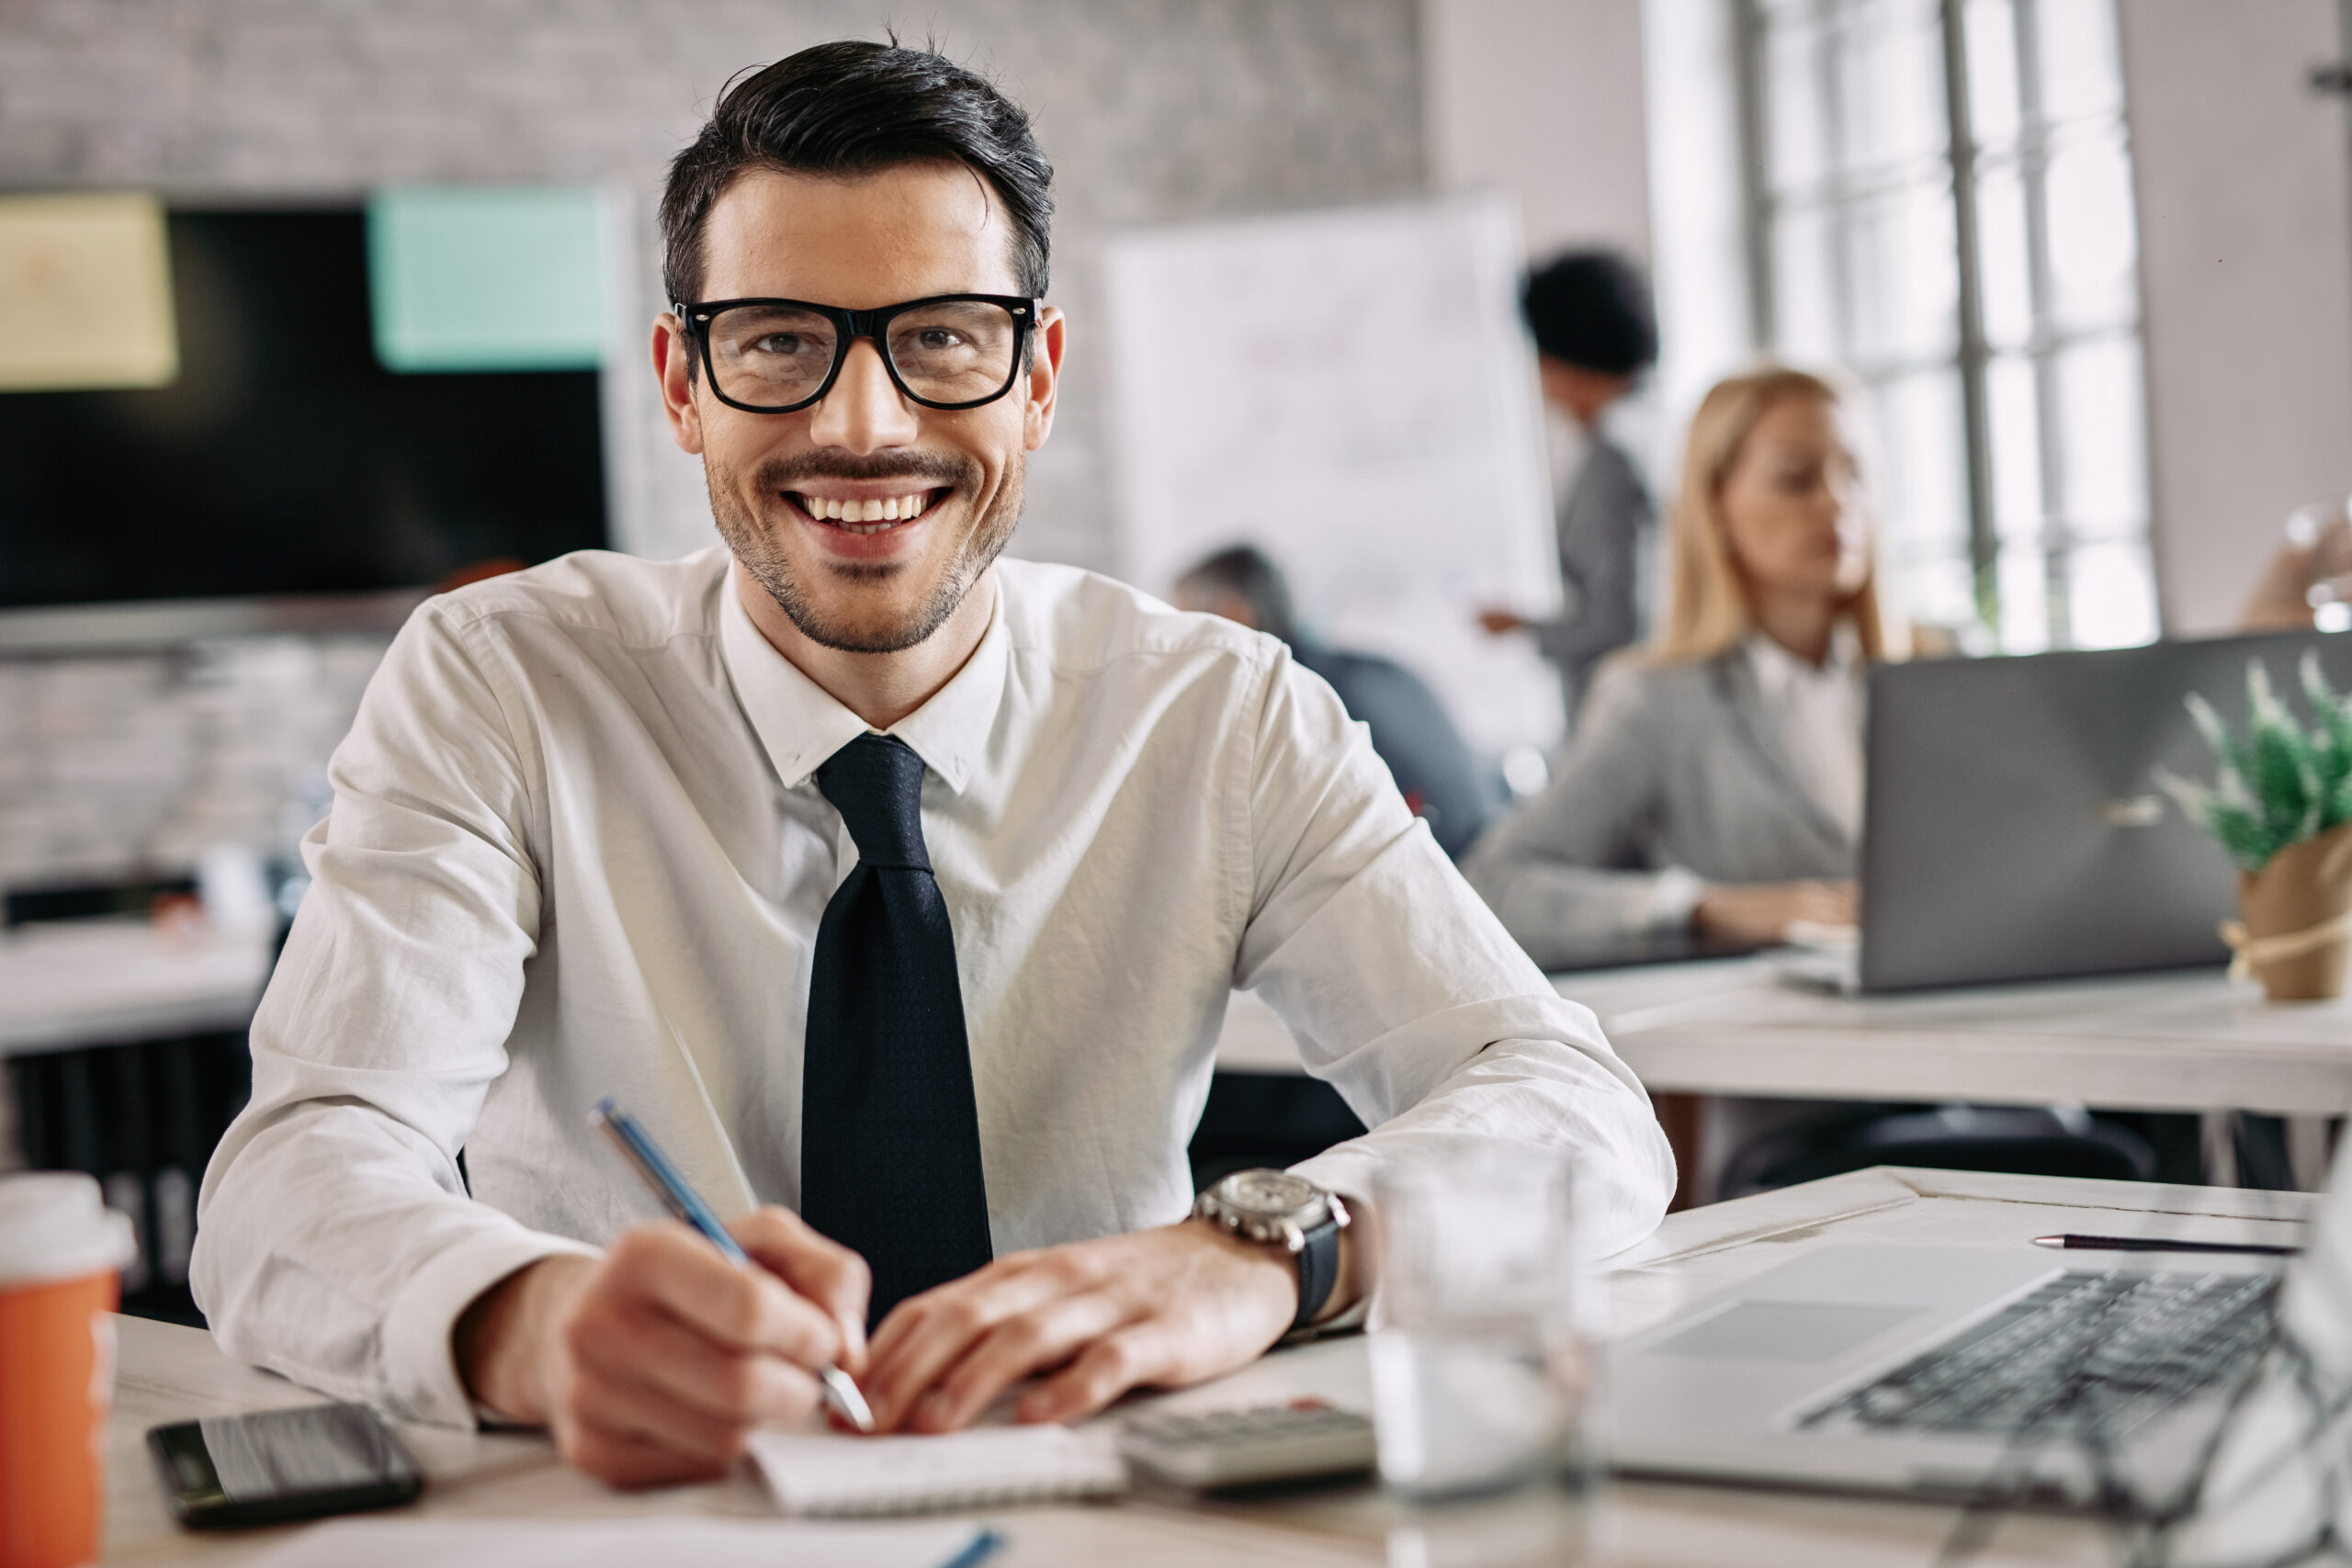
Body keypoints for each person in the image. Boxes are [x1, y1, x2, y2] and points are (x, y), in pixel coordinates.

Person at [191, 42, 1673, 1488]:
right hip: (653, 1518)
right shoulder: (498, 682)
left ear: (1038, 376)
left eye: (944, 336)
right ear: (681, 381)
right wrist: (528, 1322)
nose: (863, 424)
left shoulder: (1219, 714)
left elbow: (1574, 1106)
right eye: (777, 339)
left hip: (1120, 1518)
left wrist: (1272, 1249)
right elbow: (292, 1180)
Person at [1462, 367, 1877, 969]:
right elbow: (1494, 889)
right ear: (1716, 506)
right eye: (1796, 477)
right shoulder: (1658, 699)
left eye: (1855, 474)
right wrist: (1701, 907)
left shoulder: (1932, 672)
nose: (1838, 501)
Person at [1173, 546, 1498, 858]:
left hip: (1447, 876)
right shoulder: (1375, 669)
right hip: (1489, 854)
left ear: (1235, 614)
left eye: (1183, 623)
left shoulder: (1290, 699)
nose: (1175, 649)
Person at [1477, 251, 1660, 725]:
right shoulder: (1653, 433)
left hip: (1621, 714)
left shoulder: (1614, 461)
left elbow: (1616, 623)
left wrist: (1522, 626)